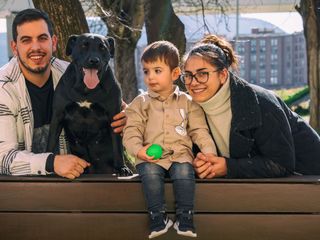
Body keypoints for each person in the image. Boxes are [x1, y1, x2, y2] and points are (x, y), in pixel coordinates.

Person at [0, 8, 126, 179]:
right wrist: (51, 162)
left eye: (42, 38)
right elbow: (3, 159)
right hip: (23, 186)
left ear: (54, 42)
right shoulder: (4, 90)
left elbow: (110, 107)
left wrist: (125, 116)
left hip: (80, 175)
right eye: (26, 40)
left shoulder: (73, 72)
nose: (35, 47)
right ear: (14, 47)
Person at [180, 34, 320, 179]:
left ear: (222, 75)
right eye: (188, 75)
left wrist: (228, 167)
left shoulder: (260, 102)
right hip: (257, 187)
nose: (193, 82)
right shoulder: (190, 108)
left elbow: (281, 164)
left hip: (309, 179)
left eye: (202, 74)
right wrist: (200, 164)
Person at [123, 41, 217, 238]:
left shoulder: (188, 102)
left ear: (175, 74)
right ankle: (158, 219)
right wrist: (139, 151)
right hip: (151, 156)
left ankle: (186, 218)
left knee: (184, 171)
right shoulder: (140, 103)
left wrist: (209, 153)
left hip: (180, 154)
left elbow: (199, 131)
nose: (150, 77)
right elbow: (131, 132)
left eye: (157, 70)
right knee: (149, 173)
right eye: (146, 71)